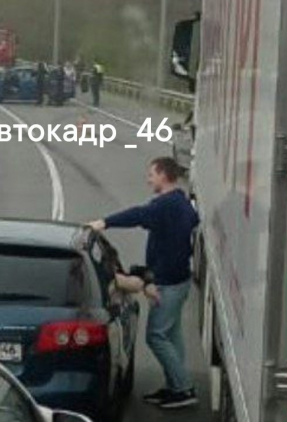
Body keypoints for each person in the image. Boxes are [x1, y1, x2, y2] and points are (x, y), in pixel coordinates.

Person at [89, 157, 199, 409]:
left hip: (168, 284)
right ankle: (174, 386)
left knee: (156, 337)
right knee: (172, 336)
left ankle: (183, 389)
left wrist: (104, 223)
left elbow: (138, 215)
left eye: (151, 174)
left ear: (163, 175)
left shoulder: (166, 206)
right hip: (179, 281)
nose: (148, 178)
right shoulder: (181, 202)